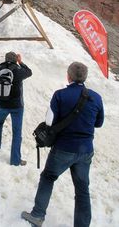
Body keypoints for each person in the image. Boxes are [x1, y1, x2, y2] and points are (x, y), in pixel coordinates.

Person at [21, 62, 104, 227]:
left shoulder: (60, 95)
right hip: (86, 150)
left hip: (64, 148)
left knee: (48, 177)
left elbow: (49, 121)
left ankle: (37, 215)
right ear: (85, 77)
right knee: (82, 190)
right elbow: (99, 123)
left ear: (69, 76)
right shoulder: (96, 97)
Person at [0, 51, 32, 166]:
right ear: (16, 59)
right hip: (17, 107)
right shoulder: (19, 71)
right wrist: (20, 62)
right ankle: (15, 160)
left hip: (2, 104)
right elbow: (29, 72)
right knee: (16, 132)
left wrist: (5, 63)